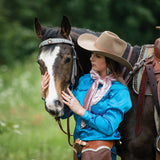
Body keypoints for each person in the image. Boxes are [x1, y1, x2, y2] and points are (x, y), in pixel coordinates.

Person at [41, 31, 132, 160]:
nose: (91, 58)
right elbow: (66, 113)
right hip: (79, 149)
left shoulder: (119, 91)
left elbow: (108, 127)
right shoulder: (84, 80)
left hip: (101, 151)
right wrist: (46, 96)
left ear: (109, 61)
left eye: (98, 56)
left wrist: (81, 111)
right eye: (92, 54)